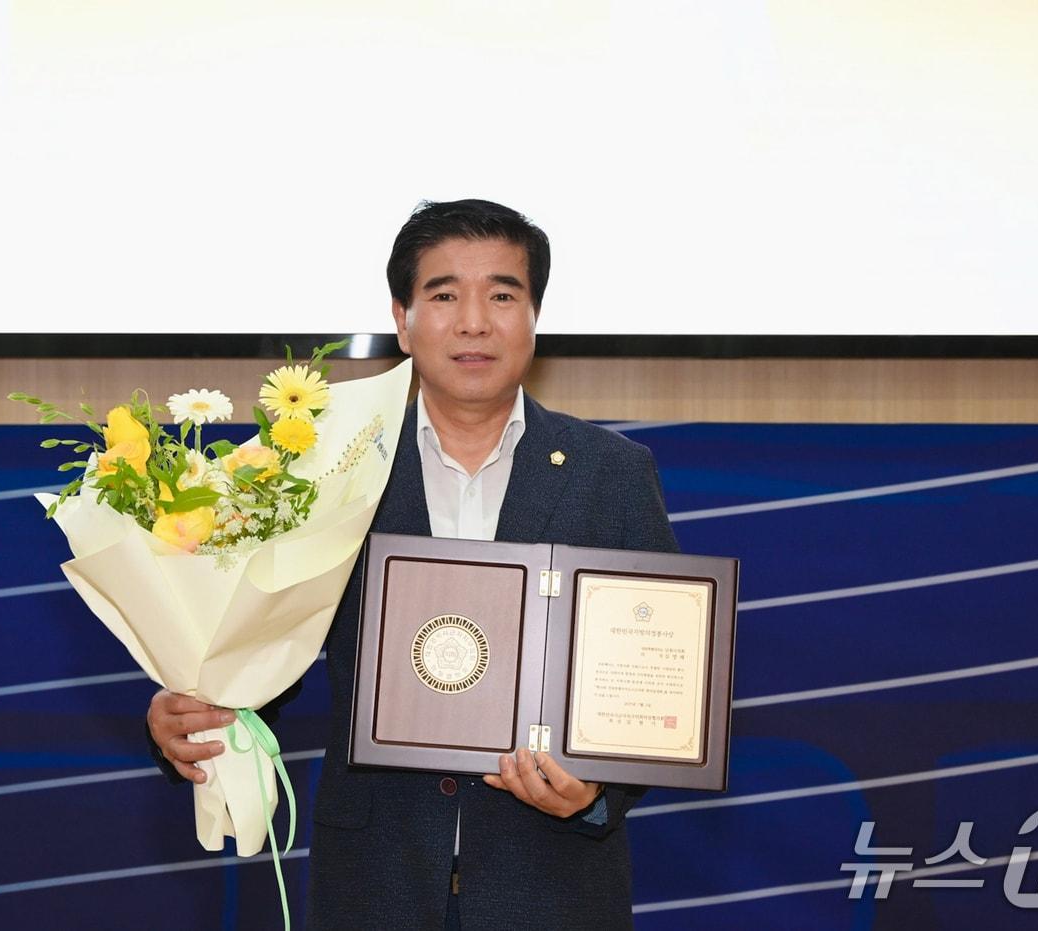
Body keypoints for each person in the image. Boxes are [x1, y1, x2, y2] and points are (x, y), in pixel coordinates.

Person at [147, 199, 679, 929]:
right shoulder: (332, 469)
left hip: (551, 883)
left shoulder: (610, 472)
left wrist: (595, 792)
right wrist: (197, 706)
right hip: (376, 880)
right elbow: (266, 652)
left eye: (502, 296)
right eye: (444, 295)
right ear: (402, 319)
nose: (474, 322)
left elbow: (650, 677)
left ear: (534, 316)